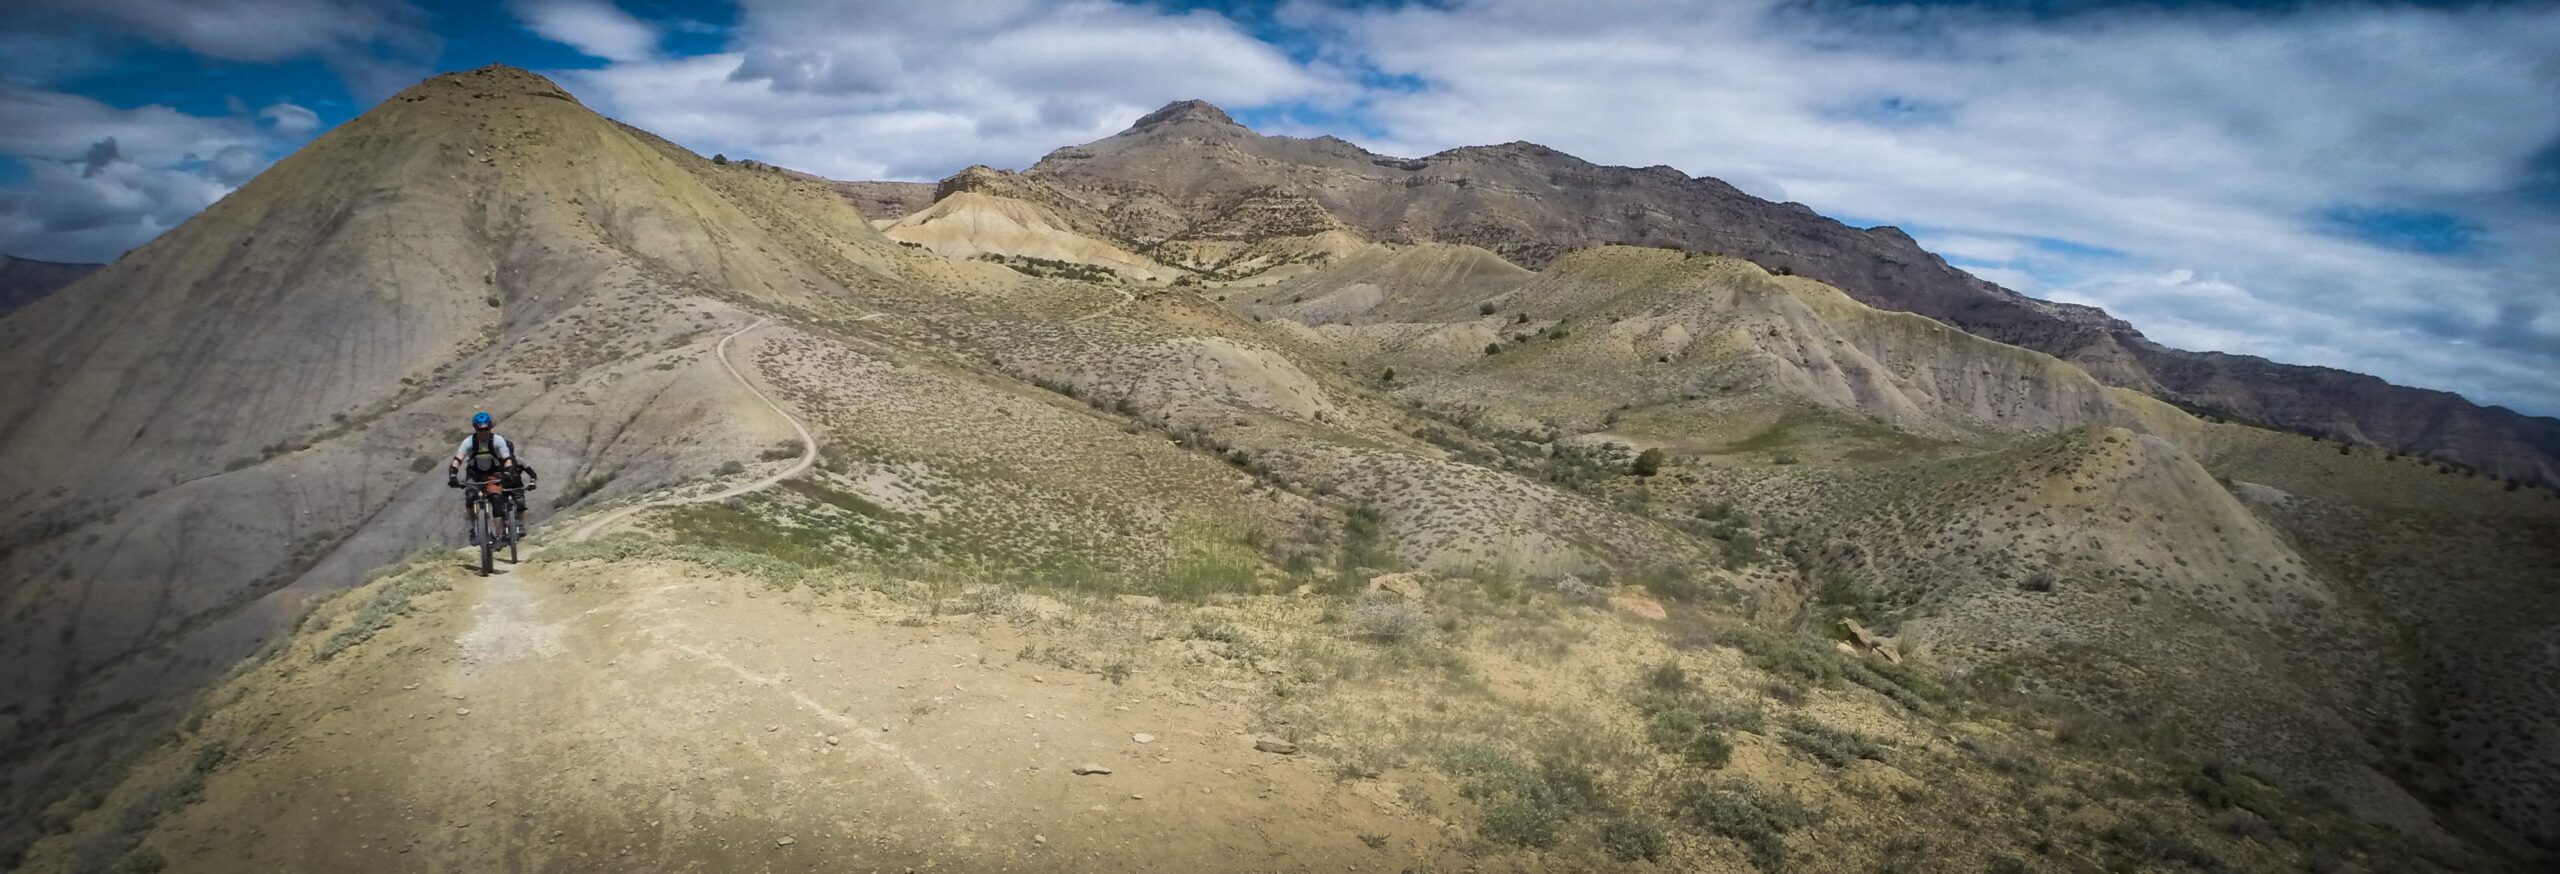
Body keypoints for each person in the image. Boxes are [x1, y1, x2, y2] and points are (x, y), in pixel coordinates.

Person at [447, 412, 536, 543]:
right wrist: (453, 475)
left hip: (492, 474)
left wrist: (506, 473)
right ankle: (473, 528)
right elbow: (457, 459)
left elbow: (507, 459)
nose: (483, 432)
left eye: (486, 429)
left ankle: (499, 536)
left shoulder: (498, 440)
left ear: (490, 427)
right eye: (480, 429)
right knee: (470, 498)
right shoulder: (469, 442)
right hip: (474, 474)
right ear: (475, 429)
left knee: (496, 500)